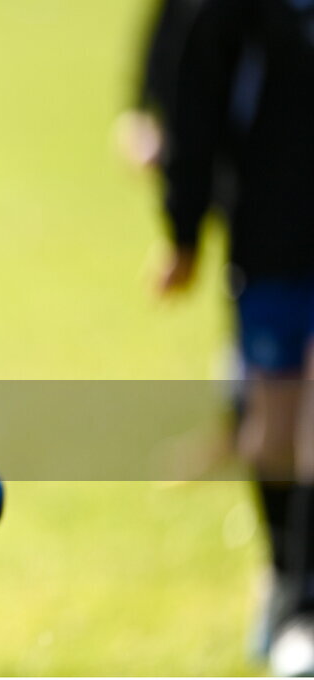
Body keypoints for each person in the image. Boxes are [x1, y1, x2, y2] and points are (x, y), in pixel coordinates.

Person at [157, 0, 314, 674]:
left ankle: (305, 602)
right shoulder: (229, 9)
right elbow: (194, 106)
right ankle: (284, 576)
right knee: (274, 436)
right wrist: (185, 229)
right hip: (270, 241)